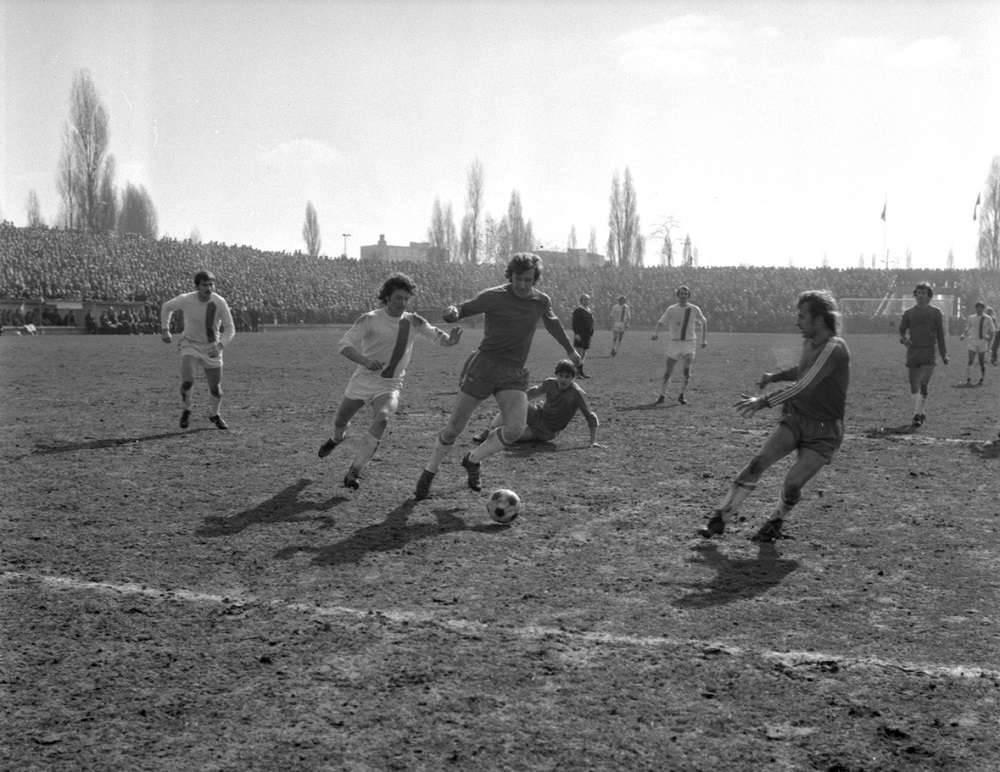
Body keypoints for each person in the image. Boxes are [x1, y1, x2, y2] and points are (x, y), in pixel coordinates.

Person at [414, 253, 582, 500]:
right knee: (454, 429)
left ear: (535, 279)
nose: (522, 285)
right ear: (510, 276)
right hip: (484, 367)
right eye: (518, 279)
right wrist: (452, 311)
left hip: (514, 372)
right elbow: (464, 307)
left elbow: (553, 323)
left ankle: (473, 460)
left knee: (514, 429)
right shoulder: (494, 295)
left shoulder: (541, 301)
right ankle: (429, 472)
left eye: (528, 280)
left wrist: (570, 350)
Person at [700, 290, 850, 542]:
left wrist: (764, 402)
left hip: (825, 430)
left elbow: (806, 386)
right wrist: (776, 376)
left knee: (792, 485)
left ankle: (777, 519)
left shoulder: (835, 347)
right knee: (758, 463)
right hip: (796, 419)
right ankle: (719, 519)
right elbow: (804, 371)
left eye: (802, 316)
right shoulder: (809, 343)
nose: (797, 322)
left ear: (819, 319)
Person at [317, 273, 463, 489]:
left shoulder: (413, 321)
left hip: (390, 385)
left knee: (383, 418)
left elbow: (436, 336)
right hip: (362, 380)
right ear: (387, 297)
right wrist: (365, 361)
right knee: (340, 421)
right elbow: (344, 345)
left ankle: (354, 471)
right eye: (398, 298)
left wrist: (451, 341)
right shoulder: (370, 319)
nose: (403, 303)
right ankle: (337, 438)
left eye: (406, 299)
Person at [160, 270, 236, 430]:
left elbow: (230, 328)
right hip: (190, 345)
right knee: (188, 381)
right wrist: (164, 329)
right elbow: (167, 307)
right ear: (197, 286)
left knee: (216, 389)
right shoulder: (186, 299)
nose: (209, 288)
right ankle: (186, 410)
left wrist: (220, 345)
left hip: (212, 348)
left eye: (211, 284)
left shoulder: (219, 302)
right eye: (205, 285)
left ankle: (214, 415)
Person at [472, 359, 602, 447]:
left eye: (567, 377)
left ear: (573, 377)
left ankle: (493, 435)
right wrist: (517, 402)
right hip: (538, 415)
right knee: (512, 405)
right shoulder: (550, 383)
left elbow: (590, 416)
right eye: (560, 375)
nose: (563, 379)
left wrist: (592, 441)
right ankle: (487, 432)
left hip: (546, 431)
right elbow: (534, 392)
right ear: (556, 375)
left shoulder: (577, 394)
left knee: (510, 437)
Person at [898, 281, 948, 428]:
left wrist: (944, 354)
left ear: (928, 296)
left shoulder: (936, 312)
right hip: (913, 351)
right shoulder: (908, 313)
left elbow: (940, 334)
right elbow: (901, 330)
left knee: (923, 383)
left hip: (929, 351)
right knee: (914, 386)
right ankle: (920, 409)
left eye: (924, 293)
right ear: (915, 295)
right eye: (918, 293)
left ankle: (917, 415)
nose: (921, 295)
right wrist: (904, 340)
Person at [651, 285, 708, 405]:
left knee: (686, 370)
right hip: (675, 343)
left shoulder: (694, 309)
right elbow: (660, 322)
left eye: (685, 294)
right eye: (681, 293)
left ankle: (682, 395)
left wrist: (703, 340)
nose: (683, 296)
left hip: (689, 343)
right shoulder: (671, 309)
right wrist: (656, 333)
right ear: (678, 295)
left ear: (688, 296)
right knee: (668, 372)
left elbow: (703, 321)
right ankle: (662, 395)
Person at [961, 301, 995, 386]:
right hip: (972, 340)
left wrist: (989, 337)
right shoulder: (971, 317)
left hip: (982, 341)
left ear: (983, 309)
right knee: (970, 360)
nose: (979, 309)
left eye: (981, 307)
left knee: (981, 361)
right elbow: (968, 327)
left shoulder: (987, 318)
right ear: (975, 308)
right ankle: (968, 379)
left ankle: (981, 379)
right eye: (977, 307)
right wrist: (963, 334)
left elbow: (992, 329)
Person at [571, 294, 595, 377]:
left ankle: (580, 371)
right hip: (580, 334)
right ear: (581, 300)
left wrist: (591, 333)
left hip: (587, 335)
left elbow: (591, 323)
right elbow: (575, 323)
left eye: (588, 299)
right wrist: (576, 333)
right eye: (585, 299)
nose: (586, 301)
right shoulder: (578, 310)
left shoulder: (588, 310)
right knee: (578, 353)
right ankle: (575, 372)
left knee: (584, 354)